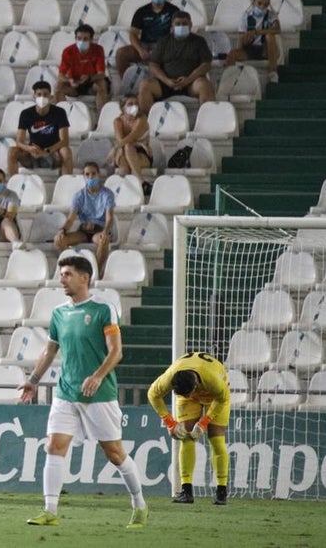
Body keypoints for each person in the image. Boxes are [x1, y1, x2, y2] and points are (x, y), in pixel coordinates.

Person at [20, 256, 148, 529]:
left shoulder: (103, 309)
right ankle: (50, 510)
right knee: (54, 446)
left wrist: (98, 376)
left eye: (67, 274)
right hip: (66, 393)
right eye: (61, 274)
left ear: (84, 278)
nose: (61, 279)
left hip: (99, 395)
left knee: (114, 453)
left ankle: (139, 504)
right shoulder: (59, 313)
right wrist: (33, 380)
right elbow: (50, 350)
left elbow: (116, 351)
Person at [147, 351, 232, 506]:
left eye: (188, 393)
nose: (186, 396)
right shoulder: (170, 377)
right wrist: (170, 423)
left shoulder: (213, 381)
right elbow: (152, 395)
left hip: (216, 397)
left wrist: (205, 422)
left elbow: (223, 399)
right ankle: (186, 492)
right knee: (186, 436)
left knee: (217, 440)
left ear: (195, 385)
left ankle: (222, 492)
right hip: (193, 392)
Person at [137, 10, 214, 113]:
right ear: (172, 26)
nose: (181, 26)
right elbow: (153, 65)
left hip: (191, 83)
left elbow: (206, 64)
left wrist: (188, 79)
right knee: (145, 85)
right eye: (177, 24)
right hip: (166, 84)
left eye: (184, 24)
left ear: (190, 25)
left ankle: (207, 119)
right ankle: (147, 120)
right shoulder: (163, 41)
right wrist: (167, 80)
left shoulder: (199, 41)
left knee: (205, 85)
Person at [55, 161, 116, 273]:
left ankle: (94, 272)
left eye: (93, 173)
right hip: (83, 231)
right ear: (83, 176)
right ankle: (74, 269)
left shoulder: (107, 194)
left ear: (98, 174)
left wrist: (105, 231)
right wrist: (62, 230)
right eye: (87, 174)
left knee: (103, 240)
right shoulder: (78, 196)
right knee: (59, 240)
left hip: (99, 230)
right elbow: (70, 219)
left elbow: (109, 218)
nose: (90, 177)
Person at [116, 0, 179, 80]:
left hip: (165, 47)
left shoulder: (174, 11)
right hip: (144, 46)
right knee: (121, 53)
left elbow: (176, 34)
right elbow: (133, 34)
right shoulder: (141, 11)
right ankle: (126, 82)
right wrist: (140, 50)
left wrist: (160, 49)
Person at [8, 80, 73, 176]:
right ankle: (13, 183)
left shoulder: (59, 112)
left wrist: (46, 151)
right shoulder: (26, 113)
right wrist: (30, 148)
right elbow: (19, 141)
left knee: (66, 151)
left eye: (45, 94)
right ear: (34, 97)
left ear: (51, 97)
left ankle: (66, 183)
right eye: (39, 94)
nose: (42, 97)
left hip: (52, 153)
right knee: (12, 151)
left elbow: (65, 140)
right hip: (33, 153)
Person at [227, 0, 281, 81]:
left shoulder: (271, 15)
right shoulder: (245, 16)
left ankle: (272, 72)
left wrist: (257, 32)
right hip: (250, 49)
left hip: (265, 49)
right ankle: (232, 80)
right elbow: (241, 38)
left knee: (270, 36)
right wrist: (245, 40)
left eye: (265, 5)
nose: (262, 7)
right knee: (231, 54)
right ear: (253, 2)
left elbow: (277, 29)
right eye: (259, 3)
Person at [55, 23, 108, 109]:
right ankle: (62, 114)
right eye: (79, 38)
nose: (82, 41)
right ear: (75, 38)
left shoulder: (98, 50)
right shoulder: (68, 51)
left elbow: (101, 74)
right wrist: (70, 80)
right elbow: (61, 75)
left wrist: (89, 78)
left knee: (102, 83)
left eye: (85, 39)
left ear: (91, 39)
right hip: (74, 84)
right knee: (58, 86)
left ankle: (101, 115)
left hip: (91, 83)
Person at [109, 94, 151, 176]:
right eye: (130, 104)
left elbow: (131, 137)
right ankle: (139, 181)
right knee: (124, 159)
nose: (134, 106)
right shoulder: (118, 121)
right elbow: (121, 141)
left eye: (136, 104)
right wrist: (139, 144)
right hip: (123, 151)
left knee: (128, 147)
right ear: (122, 108)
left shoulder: (141, 120)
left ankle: (139, 180)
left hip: (142, 153)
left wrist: (115, 148)